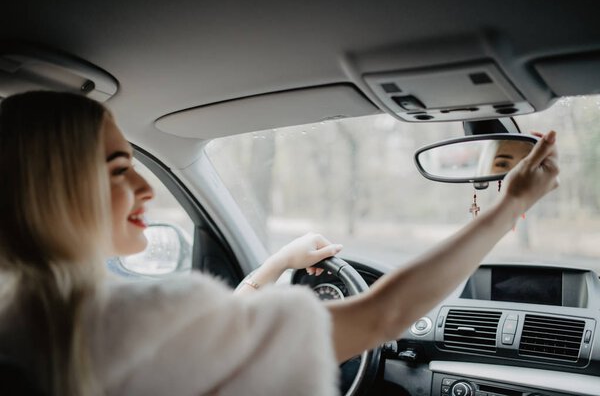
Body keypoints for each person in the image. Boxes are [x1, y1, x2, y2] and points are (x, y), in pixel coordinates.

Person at [0, 91, 559, 396]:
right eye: (121, 168)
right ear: (56, 186)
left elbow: (207, 335)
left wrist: (277, 266)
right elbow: (384, 314)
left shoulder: (23, 316)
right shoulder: (121, 321)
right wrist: (509, 206)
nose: (147, 185)